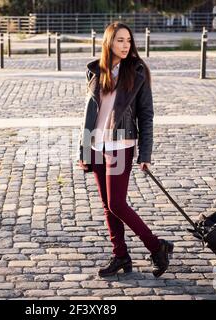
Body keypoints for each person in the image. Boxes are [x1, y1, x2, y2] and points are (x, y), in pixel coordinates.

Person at [76, 22, 173, 278]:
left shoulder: (137, 71)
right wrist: (84, 151)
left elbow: (146, 115)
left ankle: (156, 246)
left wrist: (146, 154)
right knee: (108, 205)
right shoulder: (97, 70)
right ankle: (120, 255)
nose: (125, 45)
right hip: (96, 143)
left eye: (128, 40)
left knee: (117, 203)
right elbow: (89, 115)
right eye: (120, 40)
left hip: (121, 143)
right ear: (109, 42)